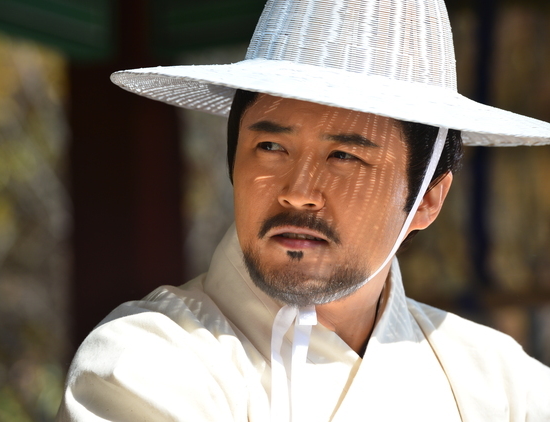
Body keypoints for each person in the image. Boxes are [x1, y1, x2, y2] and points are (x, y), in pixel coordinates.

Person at [57, 0, 550, 420]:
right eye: (271, 146)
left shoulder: (501, 386)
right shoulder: (147, 359)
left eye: (344, 156)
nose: (299, 192)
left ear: (426, 199)